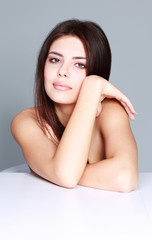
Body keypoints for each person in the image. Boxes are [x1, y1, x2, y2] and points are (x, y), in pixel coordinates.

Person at [11, 19, 138, 192]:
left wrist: (92, 86)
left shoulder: (111, 113)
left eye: (80, 64)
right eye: (55, 60)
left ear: (97, 71)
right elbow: (66, 175)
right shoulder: (27, 121)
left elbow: (124, 177)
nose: (63, 71)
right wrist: (63, 171)